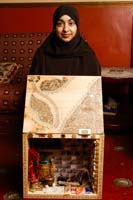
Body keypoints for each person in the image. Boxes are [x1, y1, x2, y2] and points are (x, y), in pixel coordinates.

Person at [29, 4, 101, 76]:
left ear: (77, 26)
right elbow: (32, 85)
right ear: (54, 27)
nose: (65, 29)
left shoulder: (88, 56)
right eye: (60, 24)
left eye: (71, 23)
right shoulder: (42, 55)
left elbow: (95, 85)